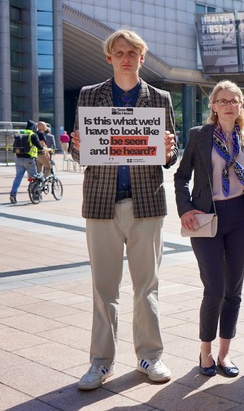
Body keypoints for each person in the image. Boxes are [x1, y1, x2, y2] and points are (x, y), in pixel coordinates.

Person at [71, 29, 178, 390]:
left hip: (146, 203)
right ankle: (100, 362)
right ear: (109, 58)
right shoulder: (89, 96)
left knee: (147, 286)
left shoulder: (160, 98)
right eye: (119, 52)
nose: (126, 58)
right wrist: (78, 145)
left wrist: (167, 150)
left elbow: (169, 155)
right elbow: (79, 152)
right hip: (101, 203)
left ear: (142, 58)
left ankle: (150, 354)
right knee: (104, 288)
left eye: (132, 52)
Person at [174, 80, 244, 378]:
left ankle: (225, 355)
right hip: (207, 217)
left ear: (241, 105)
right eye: (222, 100)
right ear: (213, 106)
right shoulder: (199, 136)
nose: (228, 105)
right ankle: (205, 351)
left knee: (233, 291)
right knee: (214, 288)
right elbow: (180, 177)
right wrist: (185, 208)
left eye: (234, 100)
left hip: (241, 217)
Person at [9, 120, 48, 204]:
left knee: (18, 177)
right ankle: (35, 196)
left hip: (18, 158)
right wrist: (46, 150)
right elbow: (39, 146)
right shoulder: (32, 135)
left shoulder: (19, 132)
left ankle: (13, 194)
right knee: (34, 179)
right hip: (29, 160)